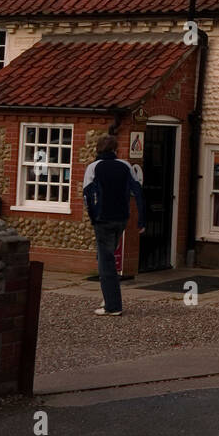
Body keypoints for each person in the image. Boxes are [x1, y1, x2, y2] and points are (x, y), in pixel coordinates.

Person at [81, 134, 146, 316]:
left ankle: (113, 306)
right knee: (106, 255)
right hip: (121, 219)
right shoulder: (125, 165)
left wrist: (93, 217)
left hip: (103, 219)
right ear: (115, 149)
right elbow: (138, 192)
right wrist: (141, 220)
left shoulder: (93, 167)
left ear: (98, 150)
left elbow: (87, 196)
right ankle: (108, 297)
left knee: (106, 262)